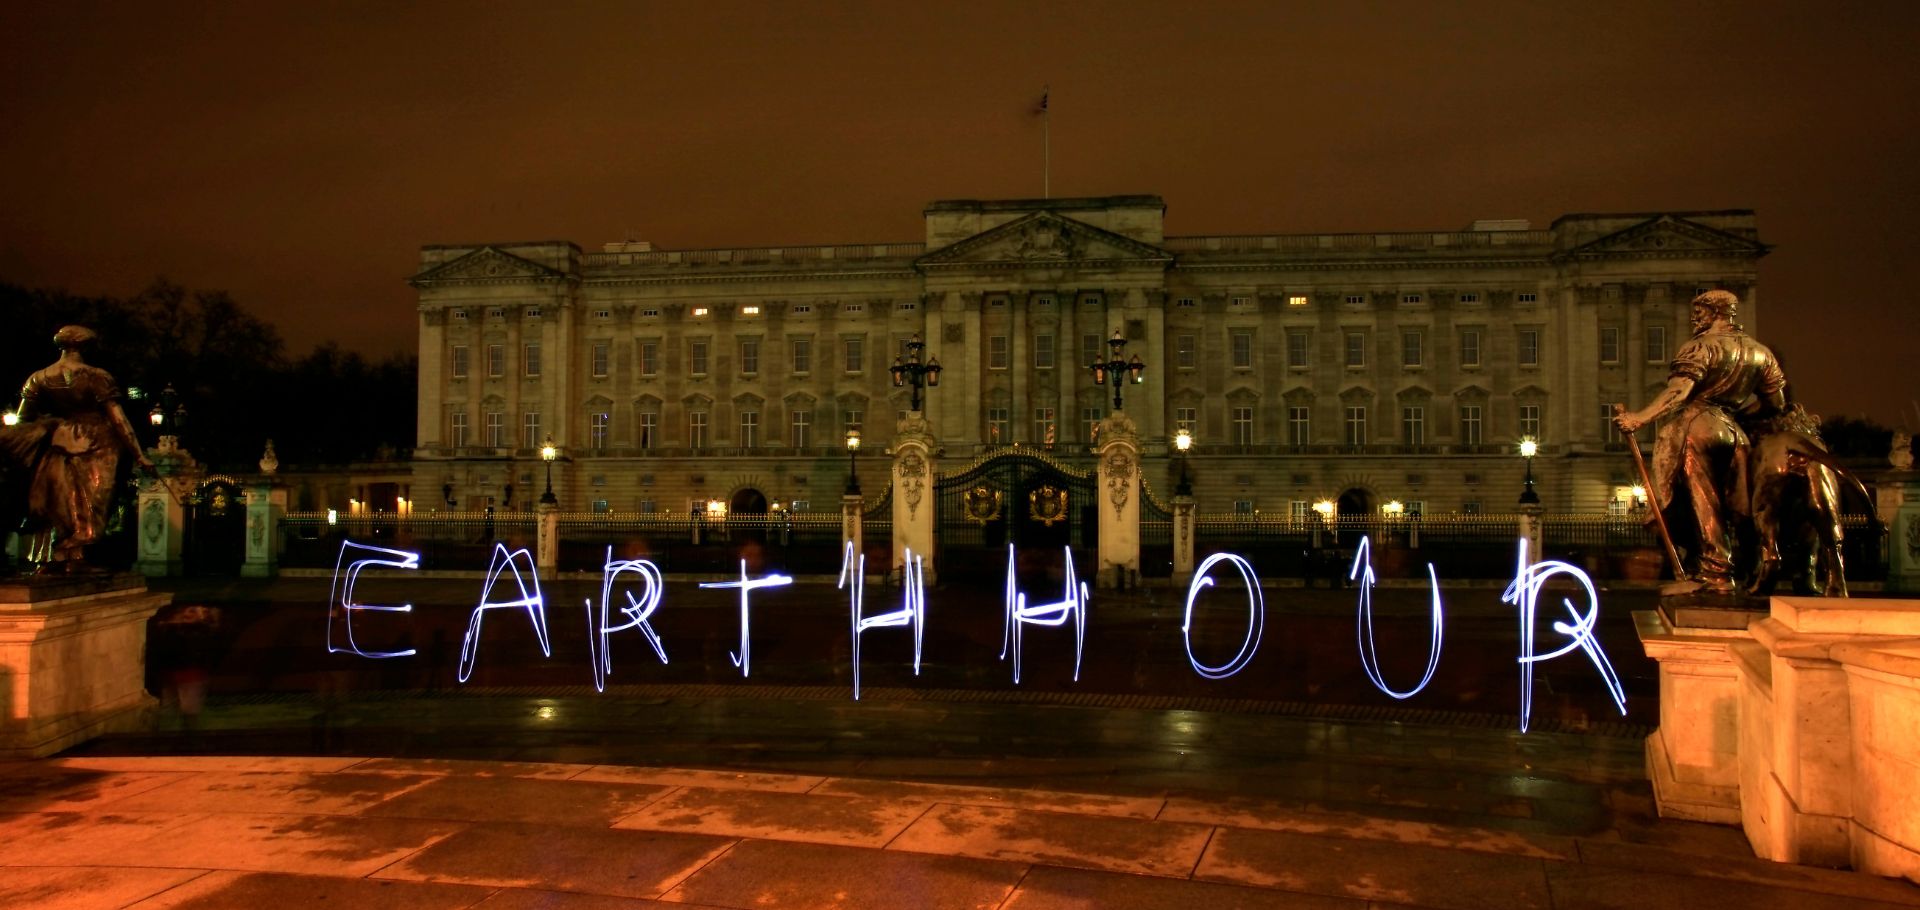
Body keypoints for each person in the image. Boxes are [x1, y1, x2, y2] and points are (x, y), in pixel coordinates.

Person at [1615, 290, 1786, 595]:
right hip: (1735, 432)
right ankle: (1742, 568)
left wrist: (1639, 418)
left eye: (1700, 312)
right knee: (1737, 508)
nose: (1695, 318)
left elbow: (1678, 392)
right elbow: (1776, 404)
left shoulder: (1700, 346)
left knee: (1701, 500)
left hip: (1698, 426)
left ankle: (1715, 572)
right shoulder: (1761, 353)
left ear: (1717, 312)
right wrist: (1736, 415)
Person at [16, 325, 156, 574]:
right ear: (87, 347)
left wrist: (45, 430)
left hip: (59, 441)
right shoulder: (96, 375)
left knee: (61, 499)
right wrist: (139, 454)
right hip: (97, 442)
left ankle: (68, 557)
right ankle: (68, 551)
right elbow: (118, 420)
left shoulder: (39, 377)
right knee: (92, 500)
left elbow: (22, 419)